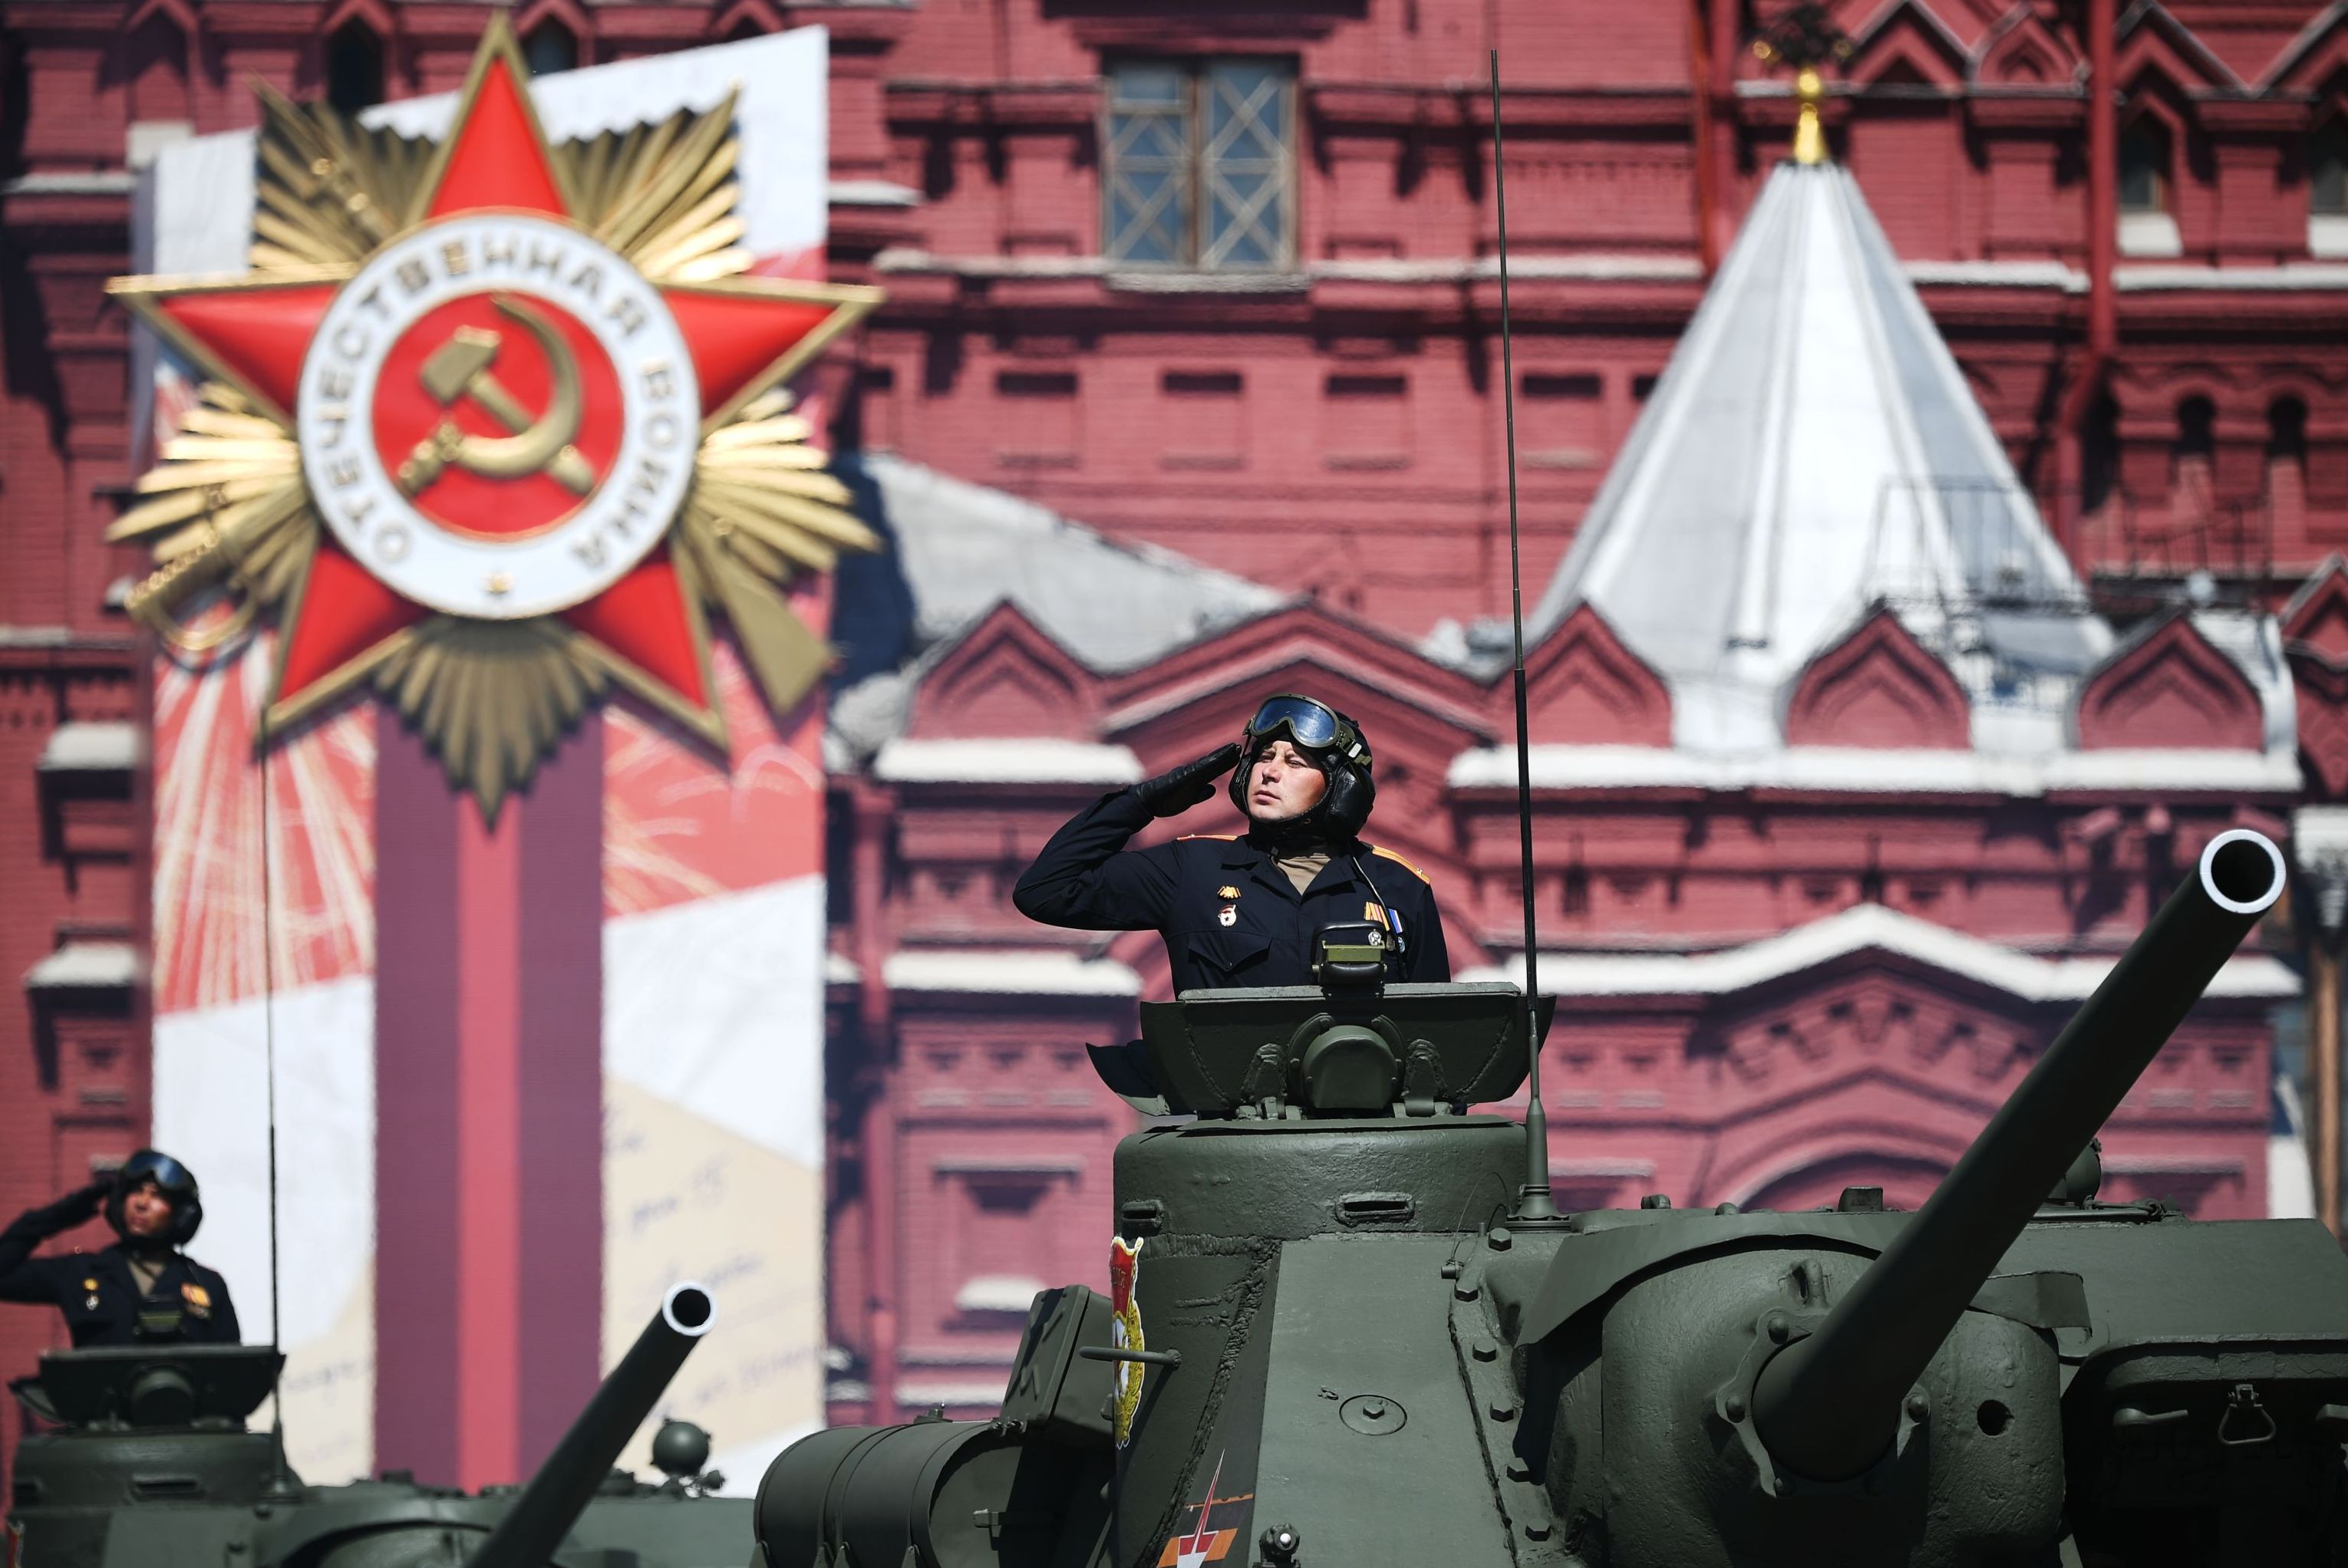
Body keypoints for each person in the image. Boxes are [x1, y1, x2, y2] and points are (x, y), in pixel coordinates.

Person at [1014, 693, 1450, 988]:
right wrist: (1137, 803)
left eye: (1295, 763)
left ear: (1342, 790)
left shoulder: (1398, 888)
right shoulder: (1194, 870)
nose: (1270, 771)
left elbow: (1438, 1031)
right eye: (1264, 757)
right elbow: (1046, 890)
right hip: (1229, 1102)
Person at [0, 1149, 239, 1346]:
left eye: (156, 1195)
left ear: (181, 1214)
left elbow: (233, 1372)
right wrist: (57, 1216)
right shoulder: (83, 1273)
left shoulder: (207, 1286)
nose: (142, 1203)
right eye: (135, 1191)